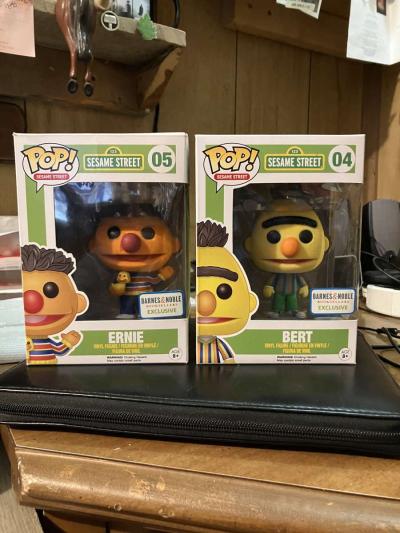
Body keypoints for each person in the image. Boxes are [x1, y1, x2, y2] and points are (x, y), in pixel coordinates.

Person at [197, 220, 258, 364]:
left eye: (224, 292)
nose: (206, 307)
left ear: (251, 302)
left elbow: (229, 359)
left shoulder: (218, 343)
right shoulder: (190, 345)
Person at [22, 244, 88, 364]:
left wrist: (68, 342)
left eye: (51, 290)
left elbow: (59, 350)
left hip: (50, 368)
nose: (32, 303)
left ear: (79, 302)